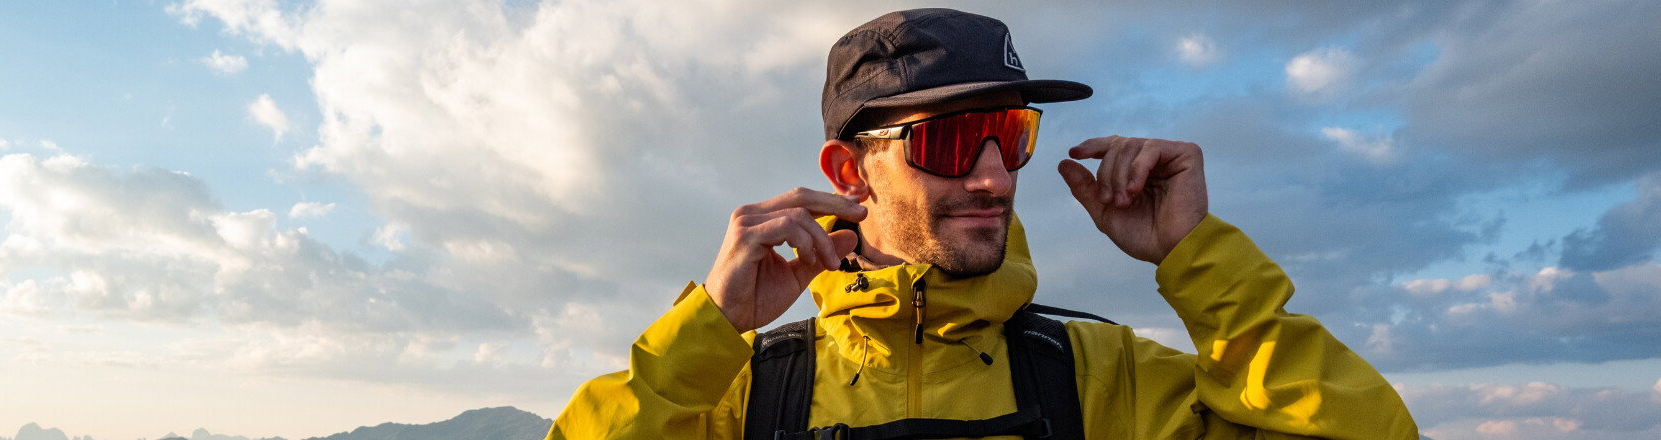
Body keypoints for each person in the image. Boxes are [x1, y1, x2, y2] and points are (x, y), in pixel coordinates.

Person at [547, 8, 1416, 440]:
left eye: (1010, 134)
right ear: (849, 172)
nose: (995, 177)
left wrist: (1201, 262)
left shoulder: (1107, 382)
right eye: (954, 140)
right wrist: (708, 330)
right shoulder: (737, 396)